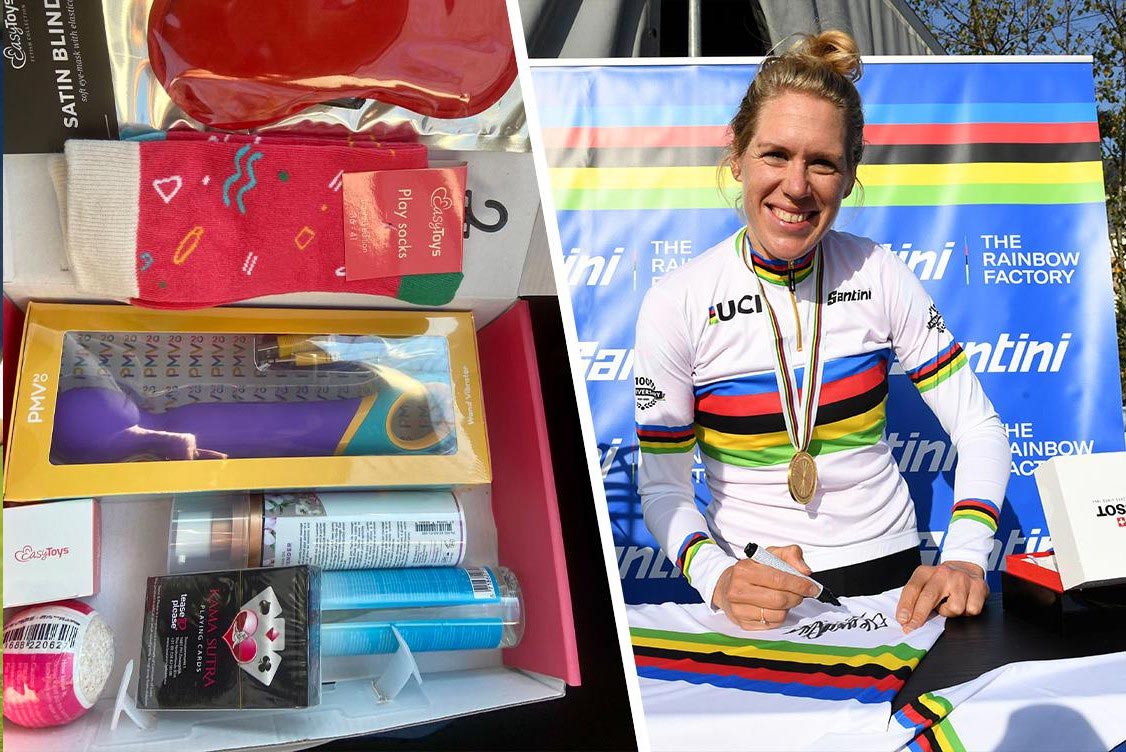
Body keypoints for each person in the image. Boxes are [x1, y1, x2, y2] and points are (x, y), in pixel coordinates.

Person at [633, 30, 1010, 633]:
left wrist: (966, 555)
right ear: (737, 155)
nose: (797, 186)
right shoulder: (676, 301)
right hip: (756, 589)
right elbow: (663, 490)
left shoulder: (878, 272)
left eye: (823, 163)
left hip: (893, 585)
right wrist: (717, 577)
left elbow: (980, 427)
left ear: (850, 175)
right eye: (775, 155)